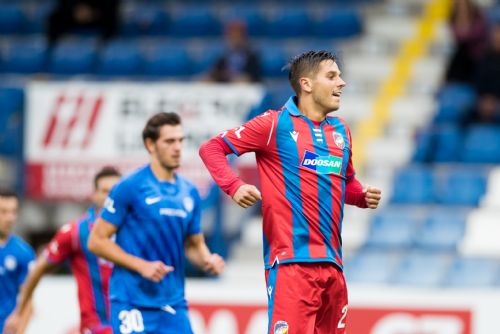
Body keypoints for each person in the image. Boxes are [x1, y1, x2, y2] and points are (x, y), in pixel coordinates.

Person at [199, 50, 382, 334]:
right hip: (292, 265)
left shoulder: (341, 131)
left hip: (333, 265)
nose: (342, 83)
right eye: (332, 76)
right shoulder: (274, 124)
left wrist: (362, 195)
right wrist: (234, 186)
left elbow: (346, 182)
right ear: (307, 84)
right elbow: (211, 148)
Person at [87, 112, 225, 334]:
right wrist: (141, 265)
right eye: (169, 141)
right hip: (131, 301)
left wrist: (208, 260)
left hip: (173, 303)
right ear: (150, 144)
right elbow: (97, 241)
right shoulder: (129, 187)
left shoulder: (189, 192)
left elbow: (192, 245)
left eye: (181, 140)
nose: (178, 147)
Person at [4, 167, 121, 334]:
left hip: (129, 322)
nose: (110, 196)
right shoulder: (75, 231)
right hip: (95, 326)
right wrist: (19, 311)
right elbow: (39, 268)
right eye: (104, 191)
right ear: (94, 194)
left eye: (115, 191)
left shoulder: (134, 230)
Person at [0, 189, 35, 334]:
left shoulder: (24, 252)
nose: (10, 218)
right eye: (3, 211)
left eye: (13, 212)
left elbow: (28, 302)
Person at [445, 0, 488, 84]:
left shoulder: (478, 18)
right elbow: (457, 37)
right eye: (459, 5)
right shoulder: (453, 19)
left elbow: (473, 36)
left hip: (476, 57)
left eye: (463, 5)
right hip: (461, 58)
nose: (462, 7)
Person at [47, 0, 120, 46]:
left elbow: (112, 6)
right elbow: (63, 4)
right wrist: (75, 10)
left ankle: (106, 44)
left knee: (113, 18)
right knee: (54, 18)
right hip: (73, 16)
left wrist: (93, 12)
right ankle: (55, 45)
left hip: (99, 17)